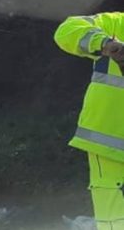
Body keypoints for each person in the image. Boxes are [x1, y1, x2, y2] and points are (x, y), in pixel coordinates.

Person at [54, 13, 124, 229]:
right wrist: (105, 43)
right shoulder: (117, 24)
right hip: (112, 149)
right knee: (115, 222)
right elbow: (67, 30)